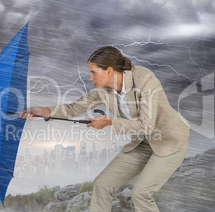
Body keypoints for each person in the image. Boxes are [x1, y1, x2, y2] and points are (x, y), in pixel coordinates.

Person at [19, 46, 190, 212]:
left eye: (93, 72)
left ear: (109, 70)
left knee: (141, 194)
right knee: (102, 185)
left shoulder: (145, 79)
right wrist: (44, 111)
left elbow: (146, 125)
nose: (90, 78)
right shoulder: (103, 91)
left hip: (169, 140)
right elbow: (73, 108)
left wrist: (109, 122)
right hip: (141, 143)